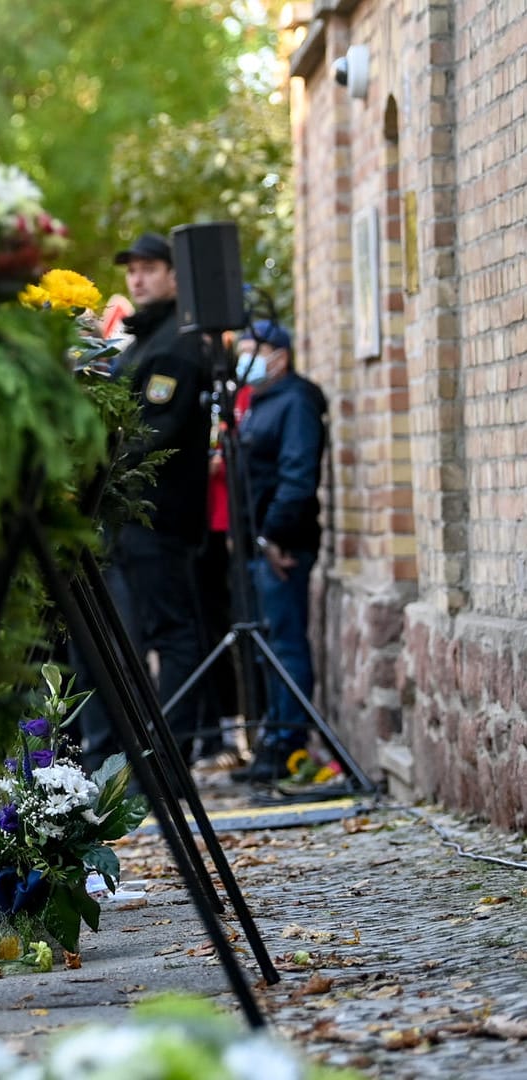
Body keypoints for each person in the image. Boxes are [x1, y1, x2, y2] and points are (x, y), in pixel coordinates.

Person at [77, 233, 211, 774]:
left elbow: (153, 432)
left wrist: (98, 470)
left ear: (177, 277)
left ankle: (172, 758)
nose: (137, 278)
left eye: (150, 268)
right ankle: (128, 757)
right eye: (132, 270)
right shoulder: (142, 342)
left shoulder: (178, 344)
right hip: (129, 519)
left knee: (171, 634)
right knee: (127, 638)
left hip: (158, 517)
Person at [231, 320, 328, 782]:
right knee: (267, 645)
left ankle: (288, 743)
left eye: (254, 349)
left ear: (280, 355)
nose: (245, 359)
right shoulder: (261, 403)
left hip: (282, 546)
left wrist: (273, 535)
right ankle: (272, 739)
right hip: (258, 542)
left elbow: (296, 475)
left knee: (285, 643)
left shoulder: (296, 400)